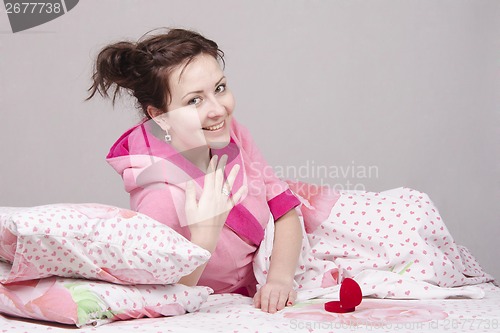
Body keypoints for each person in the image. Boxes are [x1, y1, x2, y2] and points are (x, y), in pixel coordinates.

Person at [86, 28, 304, 313]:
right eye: (194, 100)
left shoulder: (232, 134)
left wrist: (279, 279)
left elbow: (284, 208)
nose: (218, 110)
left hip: (274, 268)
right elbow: (162, 297)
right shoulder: (159, 197)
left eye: (220, 88)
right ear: (160, 117)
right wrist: (204, 237)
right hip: (219, 303)